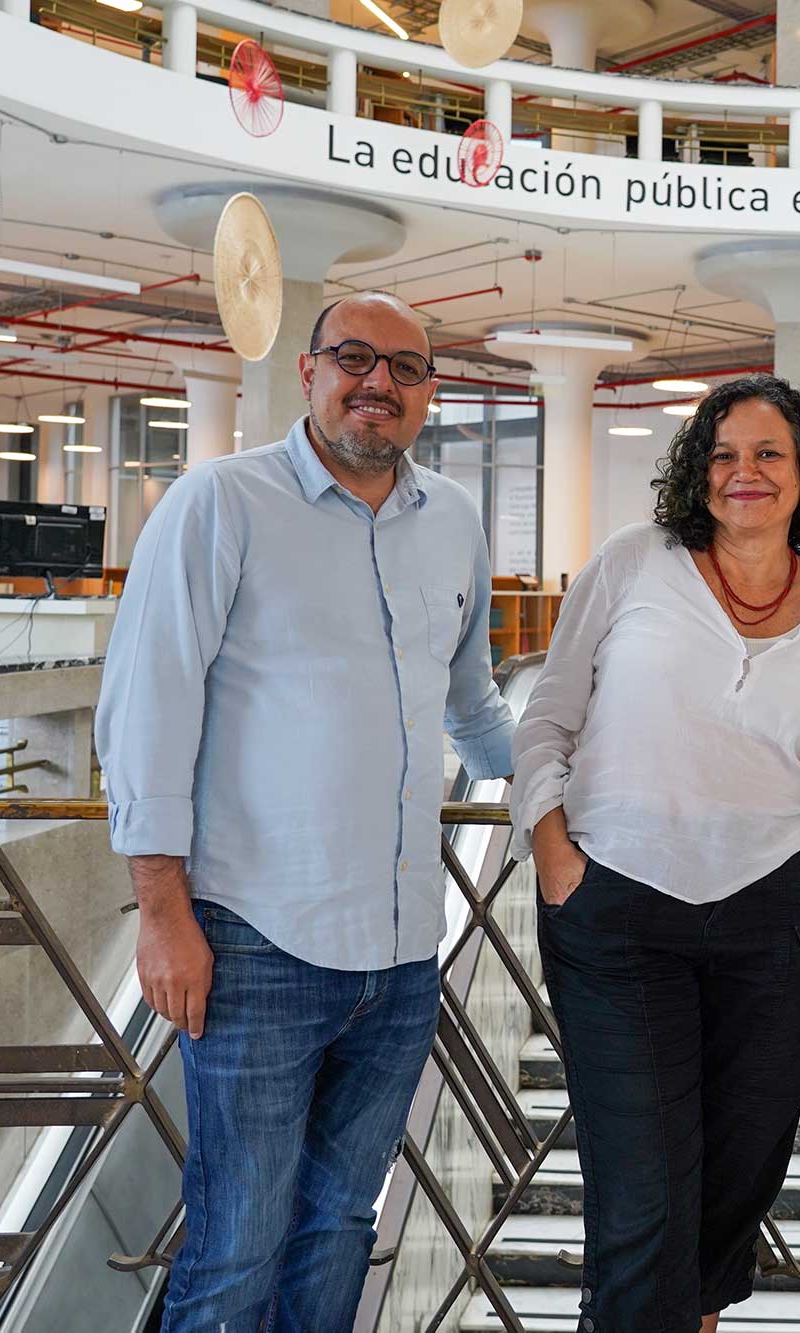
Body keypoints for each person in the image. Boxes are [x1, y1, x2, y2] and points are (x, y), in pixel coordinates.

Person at [95, 291, 516, 1333]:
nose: (378, 383)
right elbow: (147, 710)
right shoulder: (220, 503)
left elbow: (472, 707)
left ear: (429, 391)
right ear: (309, 370)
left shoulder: (452, 521)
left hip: (404, 953)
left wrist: (577, 787)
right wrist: (161, 913)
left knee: (338, 1225)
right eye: (355, 358)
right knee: (236, 1240)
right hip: (253, 942)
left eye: (405, 368)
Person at [510, 372, 800, 1333]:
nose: (743, 472)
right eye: (722, 454)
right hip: (619, 907)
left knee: (736, 1177)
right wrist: (555, 854)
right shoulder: (634, 562)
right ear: (695, 471)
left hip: (778, 917)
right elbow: (546, 720)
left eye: (768, 453)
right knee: (644, 1193)